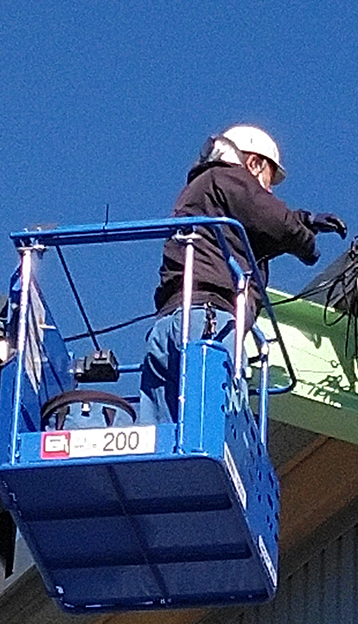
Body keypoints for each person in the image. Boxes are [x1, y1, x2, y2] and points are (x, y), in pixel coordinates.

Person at [139, 125, 346, 424]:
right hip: (209, 321)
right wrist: (307, 244)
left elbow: (253, 233)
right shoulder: (229, 177)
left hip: (168, 325)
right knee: (213, 424)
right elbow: (273, 220)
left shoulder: (203, 191)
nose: (269, 191)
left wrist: (307, 220)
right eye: (268, 181)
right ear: (253, 163)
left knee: (160, 434)